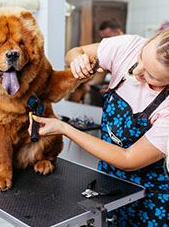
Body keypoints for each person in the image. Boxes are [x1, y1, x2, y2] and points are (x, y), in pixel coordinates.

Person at [29, 29, 169, 226]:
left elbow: (128, 158)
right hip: (106, 180)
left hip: (150, 197)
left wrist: (65, 128)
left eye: (150, 75)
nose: (137, 71)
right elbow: (74, 52)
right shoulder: (128, 46)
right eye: (141, 58)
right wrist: (78, 60)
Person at [68, 19, 124, 105]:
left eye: (108, 37)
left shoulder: (129, 49)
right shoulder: (107, 50)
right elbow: (101, 73)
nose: (105, 41)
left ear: (119, 32)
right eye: (103, 38)